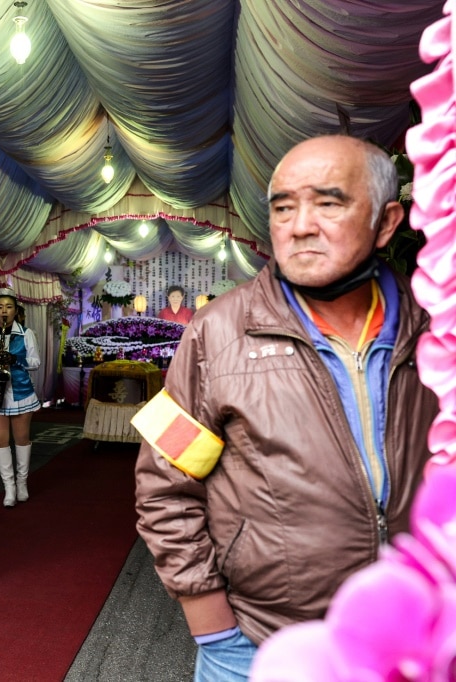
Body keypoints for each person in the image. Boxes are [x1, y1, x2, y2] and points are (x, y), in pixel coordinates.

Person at [132, 135, 438, 681]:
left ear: (387, 222)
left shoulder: (434, 329)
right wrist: (213, 626)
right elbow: (164, 483)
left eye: (329, 202)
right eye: (282, 208)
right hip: (259, 641)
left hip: (412, 641)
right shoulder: (215, 332)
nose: (299, 225)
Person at [0, 288, 41, 507]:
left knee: (22, 439)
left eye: (9, 307)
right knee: (0, 441)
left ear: (15, 310)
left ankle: (22, 483)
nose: (4, 311)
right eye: (0, 307)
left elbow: (35, 362)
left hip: (21, 393)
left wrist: (15, 358)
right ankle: (9, 488)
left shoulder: (26, 333)